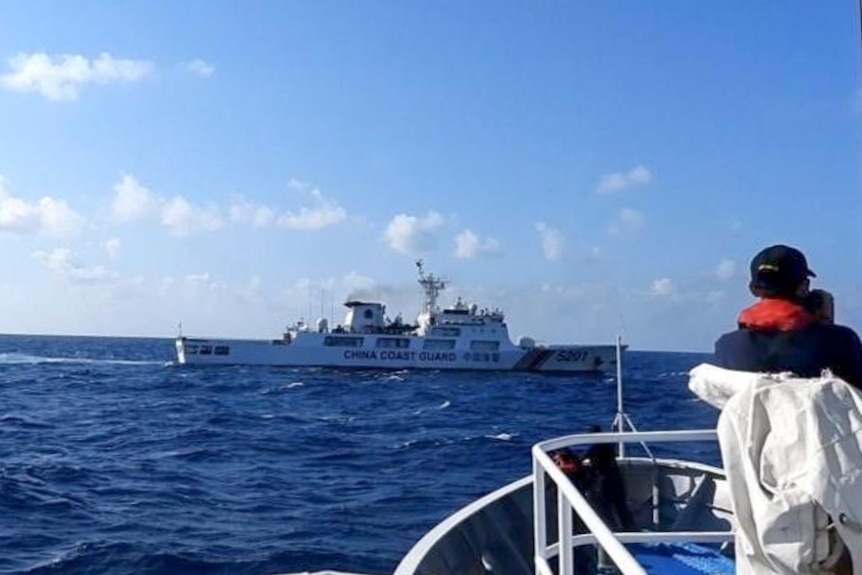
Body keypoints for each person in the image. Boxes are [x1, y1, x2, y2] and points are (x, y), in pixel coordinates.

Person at [714, 244, 862, 388]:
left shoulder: (725, 346)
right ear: (804, 287)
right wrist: (826, 325)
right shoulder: (842, 341)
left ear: (752, 289)